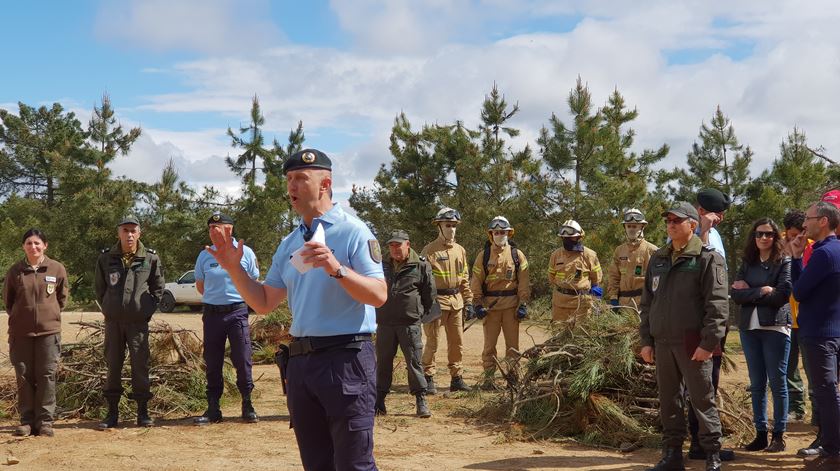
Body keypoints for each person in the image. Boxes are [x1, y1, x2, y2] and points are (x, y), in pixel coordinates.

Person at [206, 148, 386, 470]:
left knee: (354, 465)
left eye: (301, 178)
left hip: (346, 359)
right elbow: (263, 303)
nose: (292, 186)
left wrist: (337, 268)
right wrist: (235, 269)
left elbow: (378, 295)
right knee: (316, 464)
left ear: (325, 183)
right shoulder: (290, 243)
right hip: (302, 365)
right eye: (288, 179)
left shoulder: (353, 231)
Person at [639, 201, 729, 471]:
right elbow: (647, 303)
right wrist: (646, 340)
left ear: (693, 224)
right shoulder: (658, 258)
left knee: (702, 399)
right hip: (663, 342)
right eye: (668, 220)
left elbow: (718, 305)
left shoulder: (707, 258)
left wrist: (708, 343)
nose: (671, 224)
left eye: (677, 220)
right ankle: (672, 454)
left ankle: (712, 454)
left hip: (693, 343)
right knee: (669, 401)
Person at [94, 216, 165, 430]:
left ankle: (142, 412)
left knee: (140, 366)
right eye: (125, 230)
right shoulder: (106, 258)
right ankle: (112, 413)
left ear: (139, 233)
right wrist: (109, 308)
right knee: (113, 365)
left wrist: (145, 312)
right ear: (119, 233)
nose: (130, 235)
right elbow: (99, 288)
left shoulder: (150, 258)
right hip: (114, 323)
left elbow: (158, 289)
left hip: (138, 324)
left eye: (133, 231)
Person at [730, 218, 792, 452]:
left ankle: (778, 435)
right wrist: (763, 290)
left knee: (777, 383)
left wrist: (750, 291)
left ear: (776, 237)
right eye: (759, 234)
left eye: (768, 234)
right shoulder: (748, 261)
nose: (764, 238)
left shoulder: (784, 261)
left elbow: (782, 295)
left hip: (775, 327)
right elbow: (735, 295)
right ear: (753, 237)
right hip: (749, 328)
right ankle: (760, 434)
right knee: (757, 385)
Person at [193, 212, 260, 425]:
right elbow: (201, 286)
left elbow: (253, 280)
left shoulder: (245, 253)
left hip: (237, 312)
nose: (213, 231)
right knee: (213, 361)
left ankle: (247, 403)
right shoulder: (205, 255)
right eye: (211, 228)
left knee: (242, 357)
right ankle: (213, 407)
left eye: (218, 227)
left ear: (229, 229)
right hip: (212, 314)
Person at [789, 201, 840, 470]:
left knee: (826, 392)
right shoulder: (835, 250)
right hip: (833, 330)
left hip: (819, 333)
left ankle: (832, 449)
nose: (804, 224)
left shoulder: (823, 254)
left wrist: (796, 259)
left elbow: (799, 291)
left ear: (823, 221)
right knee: (830, 391)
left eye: (808, 219)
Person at [3, 229, 68, 437]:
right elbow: (8, 301)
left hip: (48, 333)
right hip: (21, 334)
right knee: (23, 376)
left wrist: (48, 316)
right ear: (23, 246)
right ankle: (27, 421)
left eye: (37, 243)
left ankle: (45, 422)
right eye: (29, 243)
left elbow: (62, 298)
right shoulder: (15, 271)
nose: (33, 247)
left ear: (45, 246)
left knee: (47, 375)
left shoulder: (56, 268)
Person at [687, 188, 735, 462]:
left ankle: (701, 441)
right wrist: (702, 230)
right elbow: (696, 267)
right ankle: (699, 443)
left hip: (715, 317)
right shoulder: (691, 234)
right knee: (700, 381)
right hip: (699, 319)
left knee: (710, 380)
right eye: (719, 213)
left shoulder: (713, 234)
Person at [376, 230, 435, 418]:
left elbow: (429, 295)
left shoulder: (421, 265)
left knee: (414, 362)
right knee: (383, 362)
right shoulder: (380, 265)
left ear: (407, 245)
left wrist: (417, 314)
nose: (394, 249)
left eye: (398, 245)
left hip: (409, 324)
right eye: (391, 245)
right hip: (385, 323)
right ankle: (379, 401)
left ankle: (421, 400)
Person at [470, 216, 530, 388]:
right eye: (496, 232)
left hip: (511, 307)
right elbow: (476, 281)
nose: (499, 235)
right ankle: (488, 380)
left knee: (513, 347)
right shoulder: (484, 255)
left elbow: (524, 282)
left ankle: (513, 379)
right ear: (491, 234)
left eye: (502, 232)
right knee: (489, 347)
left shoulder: (517, 255)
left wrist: (523, 304)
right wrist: (477, 304)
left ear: (509, 233)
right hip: (491, 308)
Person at [420, 207, 473, 394]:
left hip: (456, 302)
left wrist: (469, 301)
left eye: (454, 225)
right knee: (432, 342)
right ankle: (427, 378)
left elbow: (464, 278)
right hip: (435, 302)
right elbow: (421, 280)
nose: (451, 229)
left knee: (457, 342)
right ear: (439, 226)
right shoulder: (429, 250)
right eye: (448, 225)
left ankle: (456, 378)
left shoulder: (460, 251)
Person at [781, 211, 811, 427]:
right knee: (788, 367)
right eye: (791, 234)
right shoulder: (777, 244)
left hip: (809, 317)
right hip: (785, 317)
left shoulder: (811, 246)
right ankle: (796, 408)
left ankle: (818, 409)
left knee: (813, 366)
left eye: (799, 234)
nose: (795, 239)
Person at [547, 219, 602, 322]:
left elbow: (596, 279)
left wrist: (596, 298)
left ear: (579, 237)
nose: (567, 239)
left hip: (581, 304)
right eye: (564, 237)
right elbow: (551, 278)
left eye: (570, 237)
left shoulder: (589, 255)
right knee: (559, 335)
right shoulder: (556, 255)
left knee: (580, 335)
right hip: (560, 304)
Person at [607, 208, 658, 311]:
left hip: (644, 304)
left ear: (642, 227)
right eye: (628, 226)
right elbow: (614, 276)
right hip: (623, 304)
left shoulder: (652, 250)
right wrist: (613, 298)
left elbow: (657, 279)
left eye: (634, 226)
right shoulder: (619, 250)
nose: (631, 229)